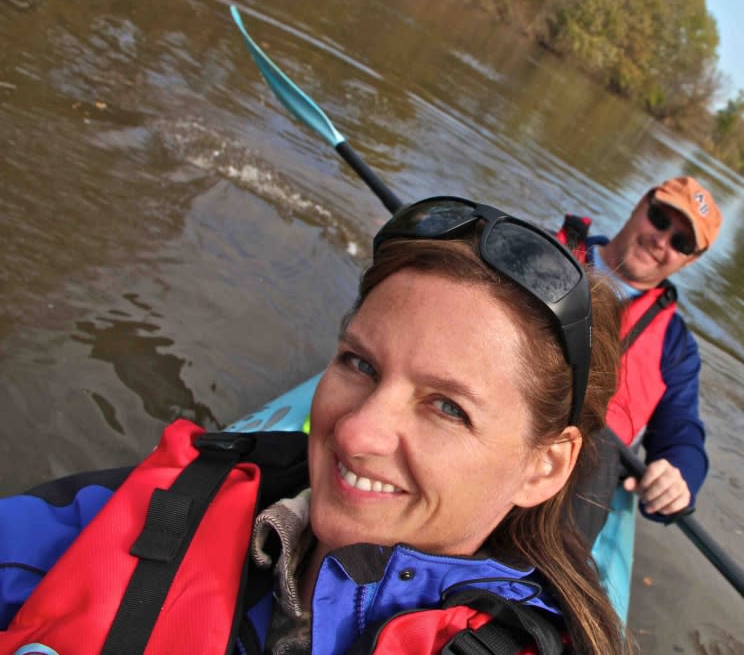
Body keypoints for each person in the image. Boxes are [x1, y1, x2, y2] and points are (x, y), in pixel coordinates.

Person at [0, 197, 631, 654]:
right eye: (359, 363)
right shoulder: (173, 499)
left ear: (544, 465)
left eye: (447, 407)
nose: (356, 433)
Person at [556, 176, 722, 533]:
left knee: (600, 448)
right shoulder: (548, 254)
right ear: (640, 204)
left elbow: (682, 433)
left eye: (680, 242)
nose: (661, 240)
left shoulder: (676, 348)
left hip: (569, 484)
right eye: (660, 219)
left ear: (689, 261)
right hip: (496, 425)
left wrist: (679, 478)